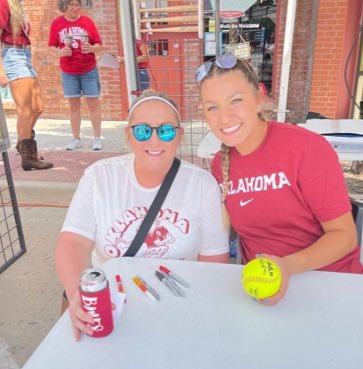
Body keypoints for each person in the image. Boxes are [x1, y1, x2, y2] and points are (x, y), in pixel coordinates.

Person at [55, 89, 229, 340]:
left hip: (176, 303)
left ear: (179, 136)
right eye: (143, 131)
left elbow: (214, 260)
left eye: (166, 130)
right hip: (110, 305)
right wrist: (77, 294)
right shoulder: (100, 176)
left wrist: (196, 312)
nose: (155, 141)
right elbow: (73, 242)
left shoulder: (202, 185)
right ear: (129, 135)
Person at [196, 54, 363, 306]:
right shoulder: (219, 164)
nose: (225, 117)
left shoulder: (306, 148)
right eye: (213, 107)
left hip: (332, 284)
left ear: (258, 98)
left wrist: (287, 266)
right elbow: (227, 230)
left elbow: (344, 235)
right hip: (264, 290)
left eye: (236, 101)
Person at [0, 0, 54, 171]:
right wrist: (0, 70)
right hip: (12, 54)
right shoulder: (3, 3)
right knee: (25, 109)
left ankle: (23, 143)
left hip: (24, 54)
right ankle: (29, 157)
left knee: (38, 107)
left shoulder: (18, 5)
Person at [48, 0, 104, 151]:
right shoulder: (57, 24)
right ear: (64, 6)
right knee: (73, 107)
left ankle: (97, 138)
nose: (75, 7)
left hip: (89, 70)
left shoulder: (87, 22)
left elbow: (100, 45)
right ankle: (76, 139)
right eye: (71, 4)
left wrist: (92, 48)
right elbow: (51, 46)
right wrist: (59, 52)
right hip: (68, 72)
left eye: (77, 4)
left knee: (93, 105)